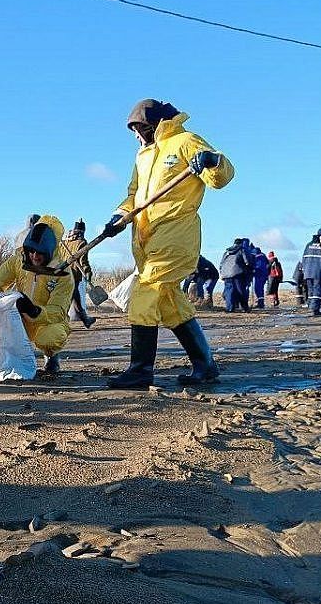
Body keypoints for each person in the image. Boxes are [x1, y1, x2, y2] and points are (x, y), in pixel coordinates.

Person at [100, 98, 233, 389]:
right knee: (172, 305)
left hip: (176, 234)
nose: (135, 134)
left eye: (139, 128)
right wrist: (118, 217)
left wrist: (213, 161)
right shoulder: (142, 156)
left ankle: (140, 370)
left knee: (145, 294)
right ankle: (205, 364)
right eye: (133, 130)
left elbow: (222, 177)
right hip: (147, 238)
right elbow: (134, 195)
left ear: (153, 124)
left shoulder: (185, 140)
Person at [0, 215, 74, 375]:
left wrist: (35, 311)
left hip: (46, 321)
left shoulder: (64, 275)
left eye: (40, 252)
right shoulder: (18, 261)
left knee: (49, 338)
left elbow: (58, 311)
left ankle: (51, 357)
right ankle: (11, 360)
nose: (35, 256)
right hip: (19, 318)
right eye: (32, 251)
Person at [60, 219, 96, 328]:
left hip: (62, 274)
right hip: (73, 275)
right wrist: (88, 272)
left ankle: (86, 320)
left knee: (75, 298)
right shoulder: (82, 242)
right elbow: (83, 261)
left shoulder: (65, 241)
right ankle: (59, 321)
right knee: (69, 300)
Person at [300, 228, 321, 316]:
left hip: (307, 272)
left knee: (311, 290)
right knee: (318, 290)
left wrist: (304, 270)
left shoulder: (308, 245)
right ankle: (314, 309)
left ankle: (311, 307)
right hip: (319, 272)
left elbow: (303, 259)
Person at [219, 239, 249, 313]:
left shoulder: (227, 252)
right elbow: (246, 262)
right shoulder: (241, 250)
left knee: (229, 291)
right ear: (240, 244)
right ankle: (244, 307)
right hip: (237, 272)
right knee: (240, 290)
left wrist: (222, 272)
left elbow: (221, 263)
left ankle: (229, 308)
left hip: (226, 273)